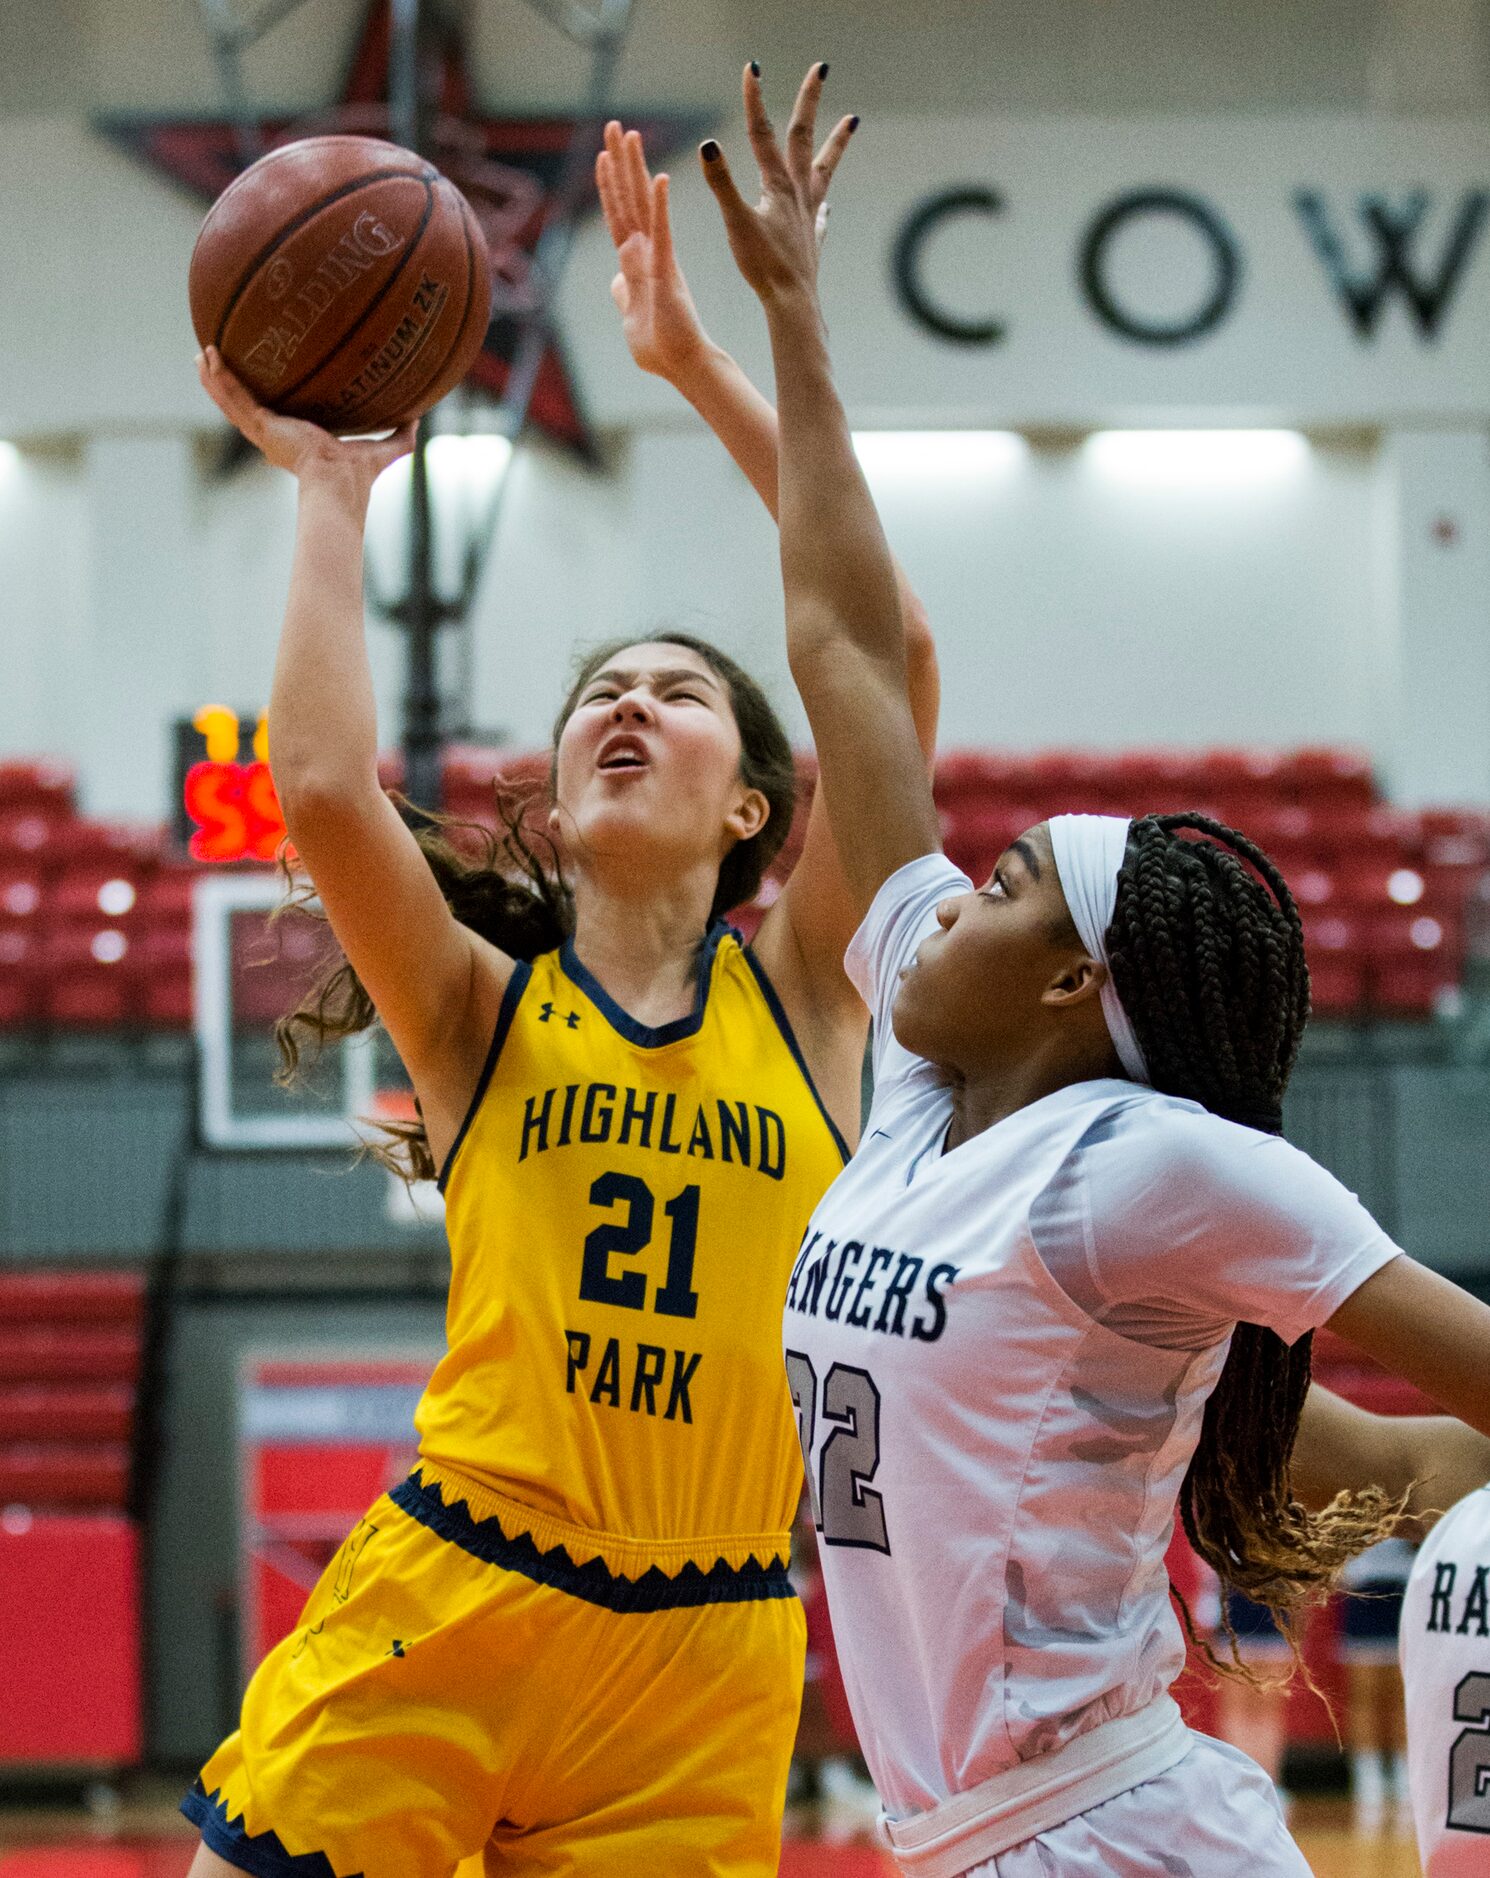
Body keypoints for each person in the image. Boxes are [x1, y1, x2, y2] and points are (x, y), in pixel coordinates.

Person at [698, 59, 1490, 1876]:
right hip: (974, 1834)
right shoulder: (920, 1088)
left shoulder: (1145, 1165)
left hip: (1113, 1831)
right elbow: (840, 650)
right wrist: (797, 321)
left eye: (995, 889)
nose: (941, 895)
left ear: (1072, 989)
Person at [181, 110, 940, 1878]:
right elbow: (315, 789)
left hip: (711, 1645)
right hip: (462, 1585)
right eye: (603, 686)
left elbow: (886, 656)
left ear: (756, 800)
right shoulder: (476, 1009)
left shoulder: (815, 998)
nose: (627, 702)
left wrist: (701, 358)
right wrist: (328, 488)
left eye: (676, 692)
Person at [1293, 1388, 1490, 1872]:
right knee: (1369, 1698)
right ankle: (1373, 1783)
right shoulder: (1440, 1474)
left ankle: (1397, 1781)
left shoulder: (1447, 1477)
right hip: (1374, 1596)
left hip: (1404, 1588)